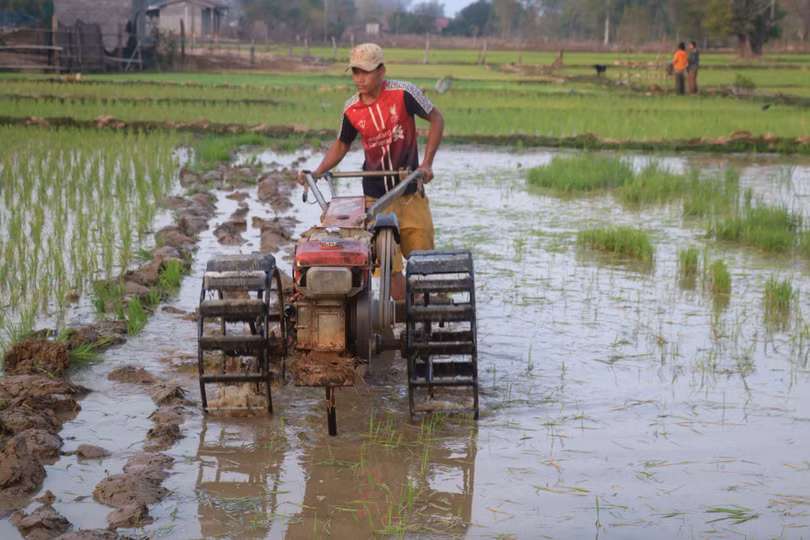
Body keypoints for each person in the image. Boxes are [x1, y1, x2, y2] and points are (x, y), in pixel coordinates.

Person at [297, 43, 444, 302]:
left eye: (365, 72)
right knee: (389, 265)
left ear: (381, 70)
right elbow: (342, 144)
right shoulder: (351, 109)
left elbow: (436, 118)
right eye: (355, 72)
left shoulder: (403, 93)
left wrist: (427, 164)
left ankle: (426, 312)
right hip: (376, 200)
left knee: (423, 259)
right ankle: (402, 320)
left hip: (409, 190)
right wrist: (318, 171)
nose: (359, 78)